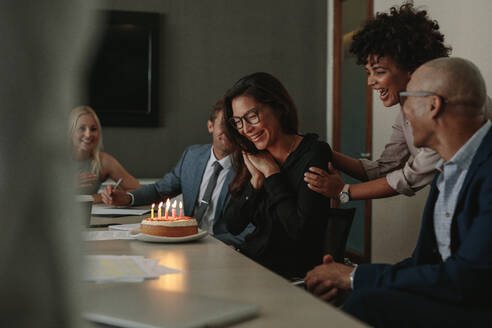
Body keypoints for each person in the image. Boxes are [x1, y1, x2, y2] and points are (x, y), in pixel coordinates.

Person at [305, 57, 492, 327]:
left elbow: (468, 280)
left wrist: (354, 278)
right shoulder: (446, 172)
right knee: (363, 301)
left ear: (433, 105)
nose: (403, 112)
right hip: (454, 299)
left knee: (368, 306)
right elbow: (424, 265)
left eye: (407, 99)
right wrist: (354, 279)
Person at [304, 3, 491, 202]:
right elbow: (384, 168)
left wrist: (344, 192)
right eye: (368, 73)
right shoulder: (408, 111)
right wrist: (323, 151)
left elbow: (411, 176)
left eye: (380, 72)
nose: (370, 81)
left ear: (411, 68)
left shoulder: (444, 109)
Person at [223, 72, 333, 278]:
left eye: (252, 116)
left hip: (290, 276)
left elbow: (300, 233)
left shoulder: (313, 153)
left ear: (279, 108)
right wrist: (255, 182)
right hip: (251, 266)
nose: (246, 129)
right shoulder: (254, 155)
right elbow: (232, 225)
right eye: (238, 121)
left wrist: (272, 174)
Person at [102, 99, 253, 247]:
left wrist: (216, 243)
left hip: (223, 248)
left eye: (233, 125)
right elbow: (159, 189)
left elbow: (251, 230)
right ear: (210, 126)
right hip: (185, 243)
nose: (228, 130)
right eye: (223, 124)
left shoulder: (251, 168)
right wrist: (128, 198)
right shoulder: (192, 156)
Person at [70, 106, 141, 203]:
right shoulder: (54, 159)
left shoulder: (103, 161)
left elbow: (139, 190)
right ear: (71, 132)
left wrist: (112, 195)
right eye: (82, 129)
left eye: (93, 129)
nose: (88, 134)